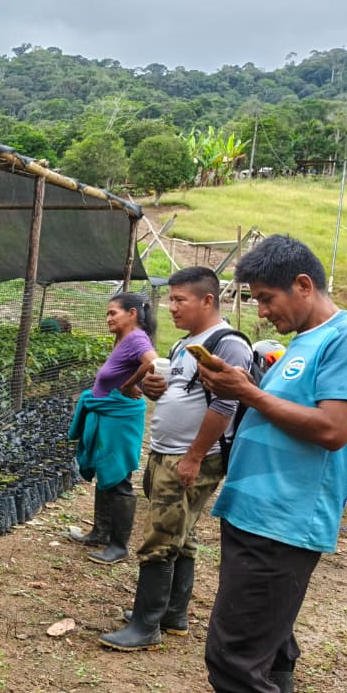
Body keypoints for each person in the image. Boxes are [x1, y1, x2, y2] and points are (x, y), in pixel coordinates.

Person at [158, 235, 347, 693]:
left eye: (266, 298)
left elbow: (334, 429)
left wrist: (249, 393)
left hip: (284, 522)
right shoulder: (303, 343)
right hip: (257, 513)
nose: (261, 312)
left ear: (304, 285)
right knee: (271, 647)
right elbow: (276, 410)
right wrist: (234, 388)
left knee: (236, 655)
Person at [99, 267, 253, 651]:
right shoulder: (184, 345)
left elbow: (226, 405)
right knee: (180, 535)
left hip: (191, 456)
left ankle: (144, 625)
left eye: (180, 299)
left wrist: (194, 457)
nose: (171, 307)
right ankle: (172, 614)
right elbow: (178, 393)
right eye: (171, 299)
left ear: (207, 300)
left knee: (160, 537)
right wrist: (154, 388)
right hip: (167, 452)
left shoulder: (228, 344)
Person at [67, 291, 157, 564]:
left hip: (119, 419)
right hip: (108, 416)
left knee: (119, 479)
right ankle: (100, 532)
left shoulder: (137, 338)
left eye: (113, 313)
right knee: (106, 472)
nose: (108, 318)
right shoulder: (123, 339)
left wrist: (129, 384)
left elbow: (152, 362)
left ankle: (118, 546)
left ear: (132, 314)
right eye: (107, 313)